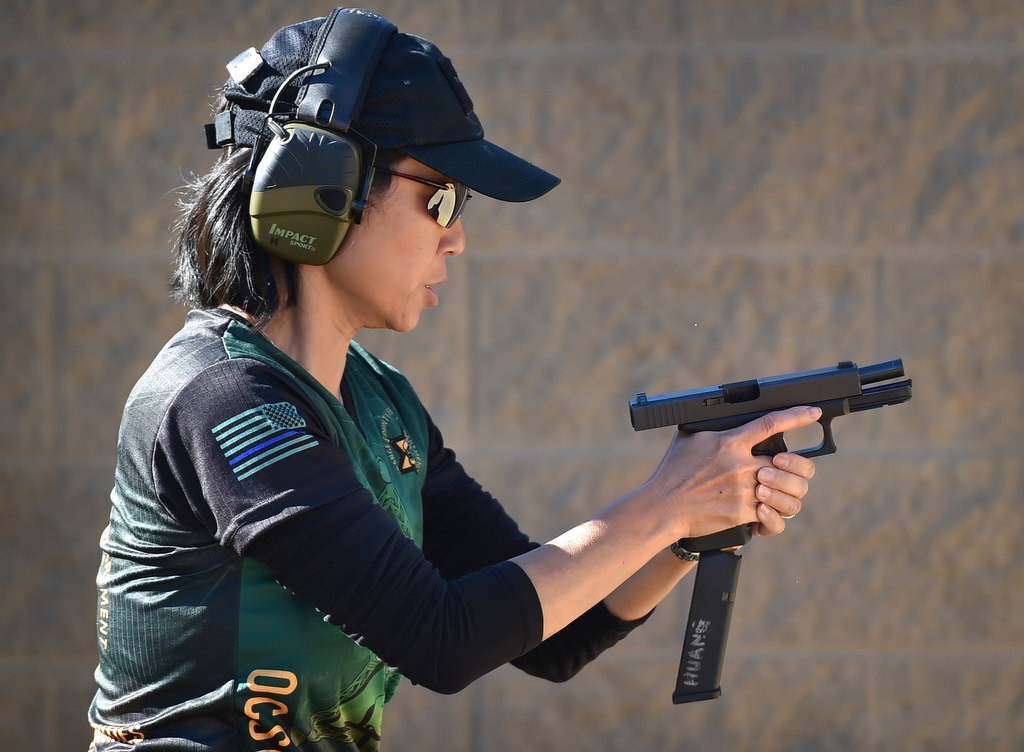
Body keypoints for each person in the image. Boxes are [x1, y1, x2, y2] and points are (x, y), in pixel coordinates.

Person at [87, 7, 819, 751]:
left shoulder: (380, 404)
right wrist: (664, 504)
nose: (458, 235)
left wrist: (691, 522)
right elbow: (442, 639)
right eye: (441, 196)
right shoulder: (222, 399)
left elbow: (552, 640)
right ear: (318, 187)